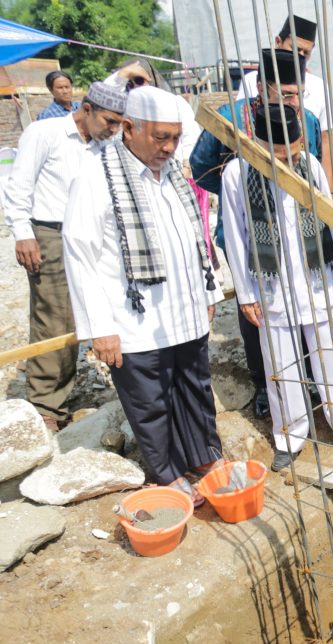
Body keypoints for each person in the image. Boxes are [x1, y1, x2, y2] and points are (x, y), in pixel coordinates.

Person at [62, 86, 225, 506]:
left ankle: (204, 459)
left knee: (194, 387)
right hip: (133, 318)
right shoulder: (98, 176)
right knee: (150, 400)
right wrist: (100, 327)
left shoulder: (171, 174)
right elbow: (81, 254)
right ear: (130, 128)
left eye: (175, 137)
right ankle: (167, 473)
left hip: (183, 311)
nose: (170, 148)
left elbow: (193, 237)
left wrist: (207, 287)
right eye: (160, 138)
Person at [221, 105, 333, 472]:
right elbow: (236, 238)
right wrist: (247, 294)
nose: (288, 161)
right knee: (281, 366)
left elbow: (328, 223)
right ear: (258, 142)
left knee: (332, 357)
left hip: (316, 281)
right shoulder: (237, 173)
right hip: (269, 286)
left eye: (293, 152)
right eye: (279, 155)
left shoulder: (311, 165)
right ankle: (290, 436)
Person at [191, 48, 322, 421]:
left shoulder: (307, 119)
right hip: (249, 235)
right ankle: (267, 385)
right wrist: (247, 198)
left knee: (304, 304)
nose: (292, 102)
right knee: (259, 311)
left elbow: (311, 168)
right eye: (284, 94)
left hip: (299, 233)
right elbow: (201, 169)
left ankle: (309, 379)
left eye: (296, 94)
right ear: (263, 88)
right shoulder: (230, 118)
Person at [2, 82, 125, 431]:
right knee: (54, 316)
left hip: (92, 232)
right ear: (87, 109)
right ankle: (46, 404)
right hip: (50, 233)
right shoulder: (46, 132)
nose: (113, 129)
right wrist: (24, 234)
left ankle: (69, 391)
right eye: (109, 121)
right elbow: (19, 185)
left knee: (94, 307)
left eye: (119, 124)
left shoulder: (104, 144)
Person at [235, 14, 333, 187]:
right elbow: (242, 122)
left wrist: (328, 191)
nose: (300, 56)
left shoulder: (319, 86)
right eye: (295, 48)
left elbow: (325, 141)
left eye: (306, 53)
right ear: (278, 41)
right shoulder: (252, 80)